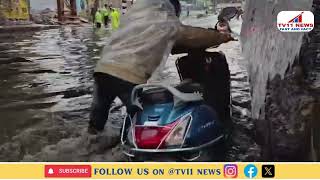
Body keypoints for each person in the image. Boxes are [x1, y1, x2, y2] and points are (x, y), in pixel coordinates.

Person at [88, 0, 235, 134]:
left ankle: (91, 143)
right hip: (127, 76)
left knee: (97, 121)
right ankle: (128, 151)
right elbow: (192, 36)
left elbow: (173, 45)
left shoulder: (136, 19)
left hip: (102, 70)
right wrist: (222, 37)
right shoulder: (165, 21)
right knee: (140, 121)